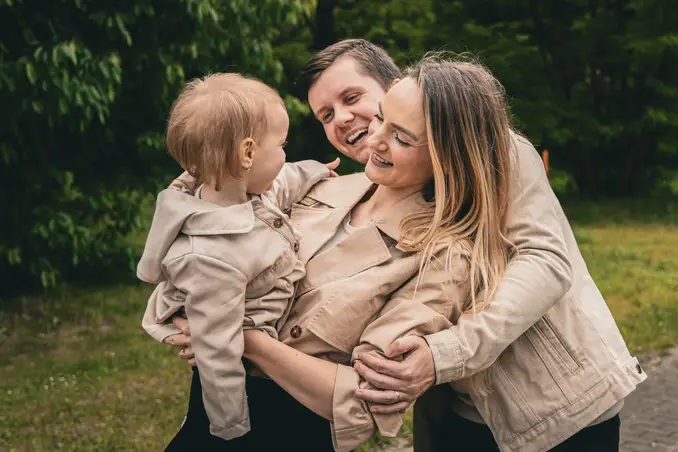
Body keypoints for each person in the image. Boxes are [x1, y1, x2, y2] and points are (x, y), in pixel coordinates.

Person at [172, 41, 647, 451]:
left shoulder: (489, 146)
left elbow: (544, 260)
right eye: (326, 114)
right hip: (455, 399)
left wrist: (442, 353)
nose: (344, 120)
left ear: (396, 85)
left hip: (550, 395)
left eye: (355, 99)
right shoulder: (346, 188)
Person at [164, 57, 519, 451]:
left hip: (286, 432)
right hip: (203, 422)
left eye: (401, 138)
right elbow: (208, 203)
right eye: (381, 119)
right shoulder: (318, 187)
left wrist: (241, 338)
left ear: (447, 156)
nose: (376, 139)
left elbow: (365, 399)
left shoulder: (445, 256)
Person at [136, 73, 335, 446]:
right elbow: (216, 349)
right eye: (281, 145)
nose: (285, 155)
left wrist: (318, 170)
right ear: (247, 154)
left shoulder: (242, 189)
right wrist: (231, 426)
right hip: (247, 380)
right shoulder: (211, 256)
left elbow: (284, 179)